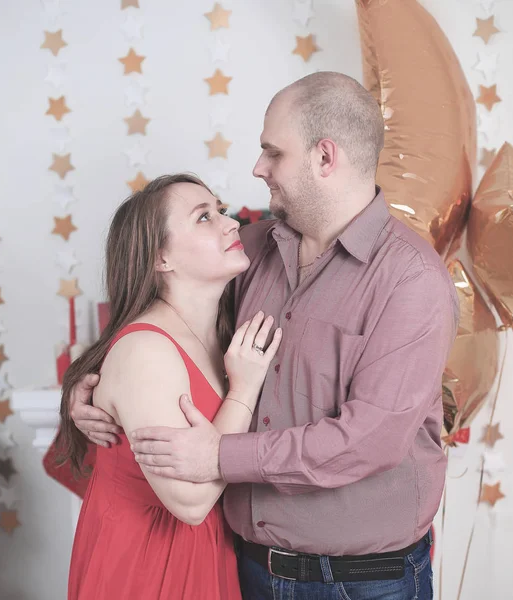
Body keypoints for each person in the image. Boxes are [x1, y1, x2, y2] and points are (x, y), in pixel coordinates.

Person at [70, 72, 459, 600]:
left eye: (272, 153)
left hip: (362, 584)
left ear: (325, 158)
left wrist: (219, 457)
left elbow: (371, 439)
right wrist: (90, 385)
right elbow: (159, 315)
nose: (258, 169)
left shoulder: (411, 279)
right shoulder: (250, 253)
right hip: (245, 569)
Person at [56, 173, 282, 599]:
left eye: (220, 209)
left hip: (211, 555)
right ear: (161, 257)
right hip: (147, 566)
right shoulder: (147, 350)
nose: (231, 222)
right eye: (203, 217)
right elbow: (191, 503)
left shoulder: (224, 329)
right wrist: (244, 389)